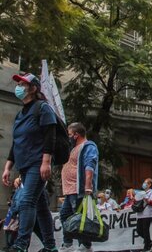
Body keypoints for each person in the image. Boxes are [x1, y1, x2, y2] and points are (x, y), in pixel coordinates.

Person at [2, 73, 58, 252]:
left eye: (23, 84)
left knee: (27, 202)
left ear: (33, 89)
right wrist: (8, 166)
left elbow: (50, 135)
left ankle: (21, 244)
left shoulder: (43, 108)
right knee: (41, 207)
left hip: (37, 163)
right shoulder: (20, 114)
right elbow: (16, 142)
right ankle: (50, 247)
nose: (18, 86)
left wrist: (46, 162)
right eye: (18, 83)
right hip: (25, 166)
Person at [59, 122, 99, 252]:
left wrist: (88, 186)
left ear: (76, 135)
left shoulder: (88, 146)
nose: (68, 136)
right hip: (70, 190)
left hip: (79, 190)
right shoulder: (73, 148)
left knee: (82, 218)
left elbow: (89, 166)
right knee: (65, 215)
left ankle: (86, 245)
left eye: (69, 134)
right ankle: (68, 244)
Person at [136, 178, 152, 252]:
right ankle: (149, 242)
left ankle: (146, 246)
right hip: (140, 214)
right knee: (138, 230)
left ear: (149, 185)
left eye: (146, 183)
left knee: (145, 230)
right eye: (144, 183)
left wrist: (146, 198)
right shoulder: (142, 192)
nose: (144, 184)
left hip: (147, 214)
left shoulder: (151, 193)